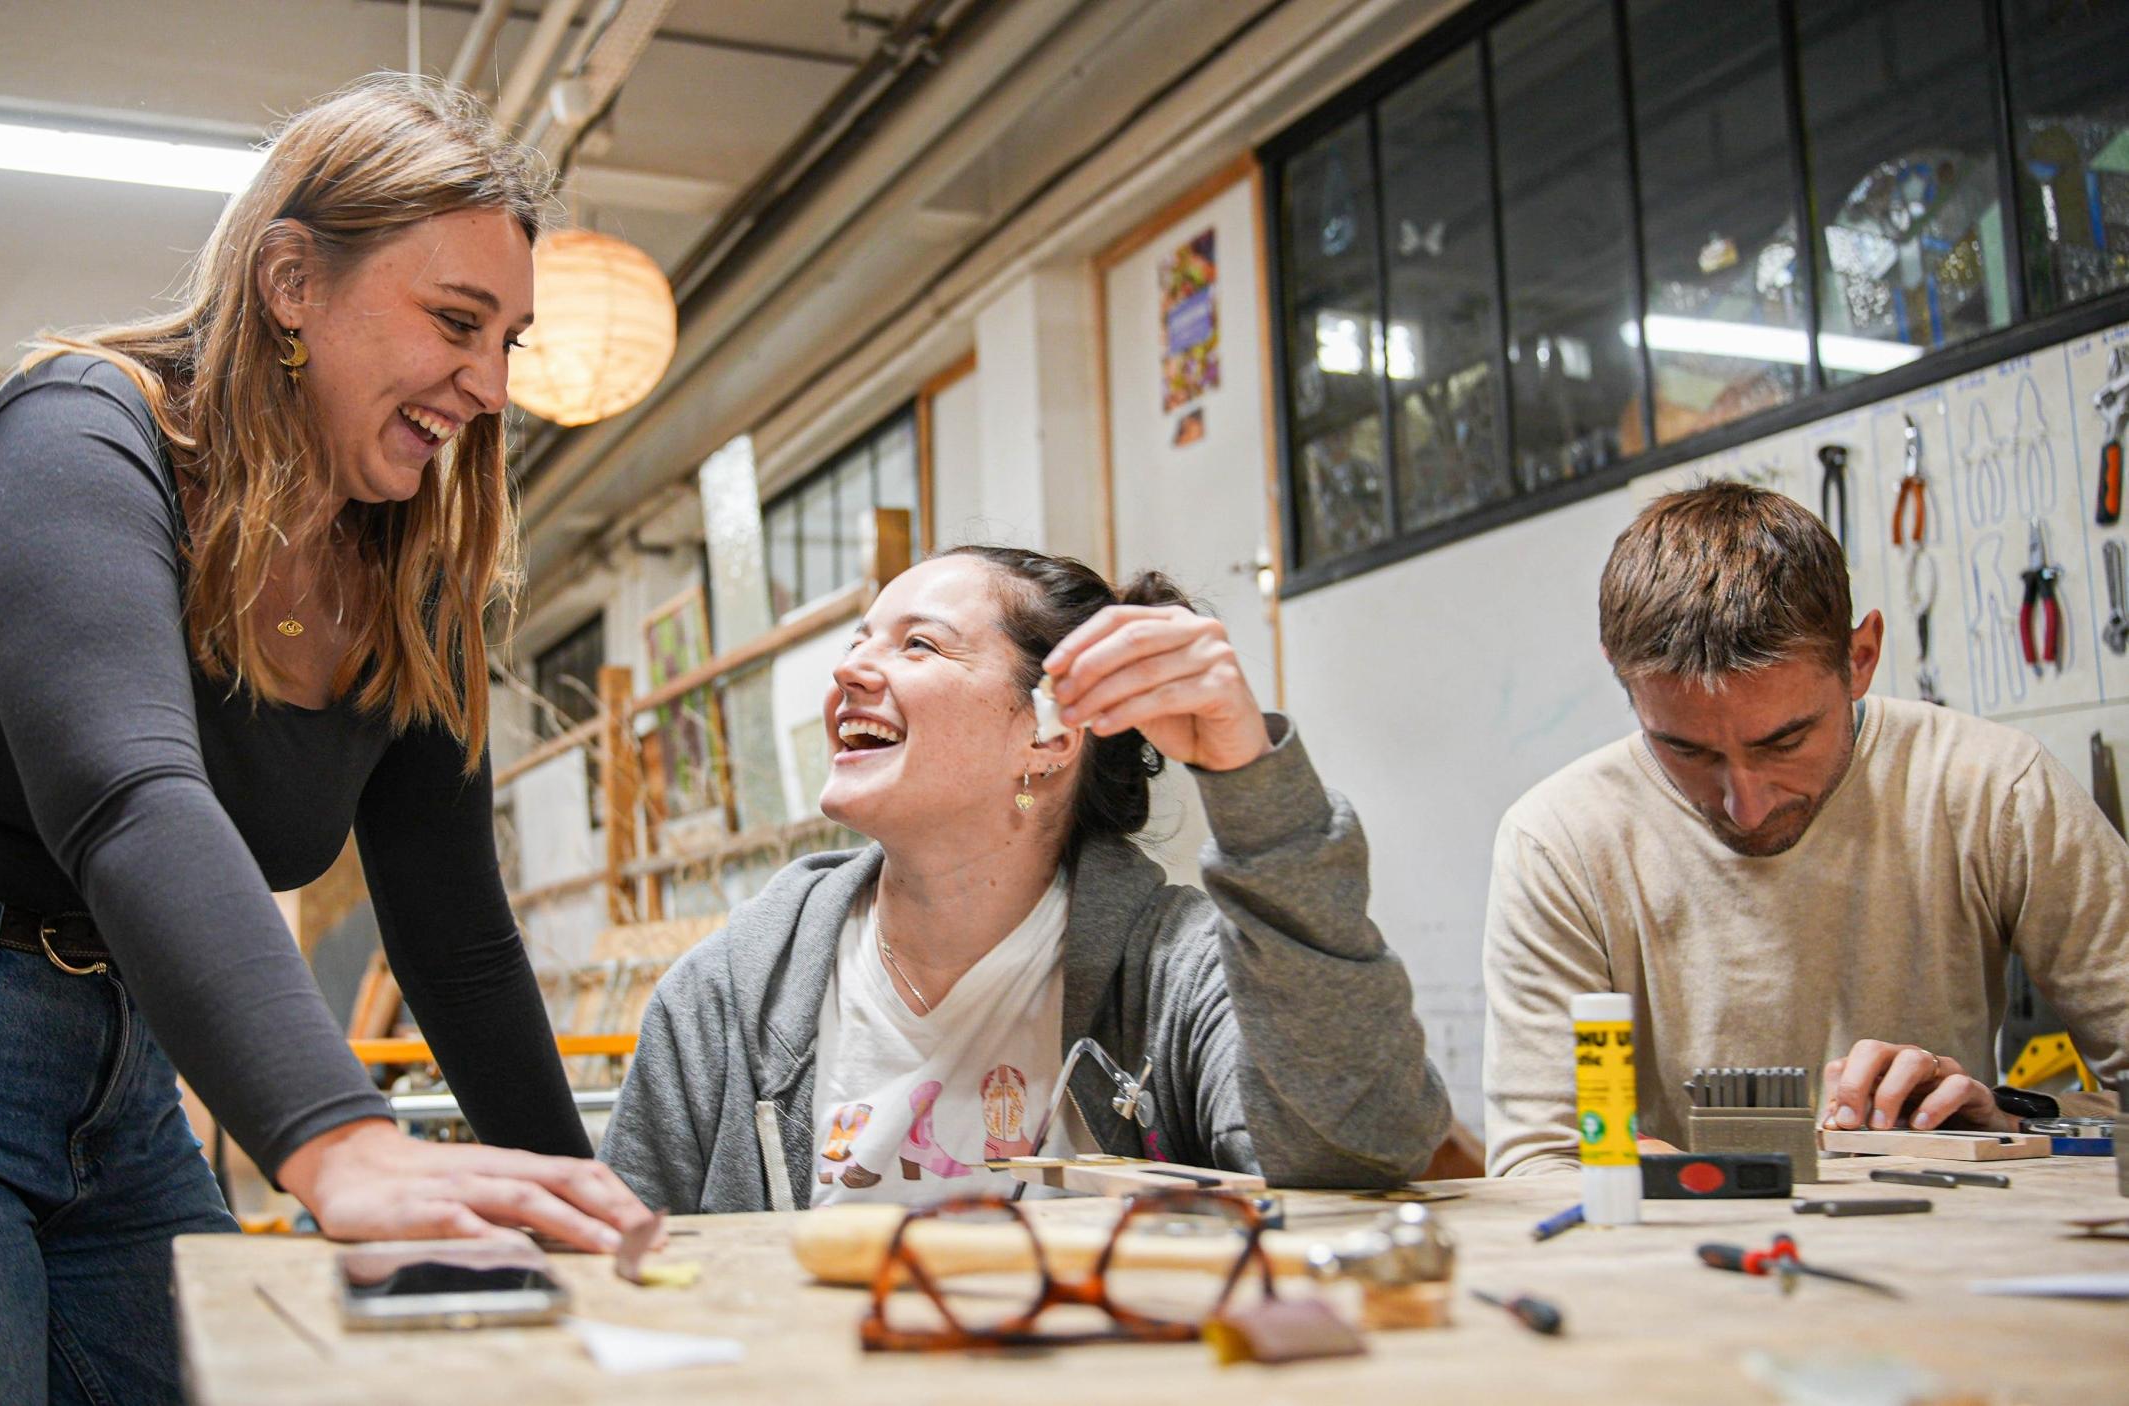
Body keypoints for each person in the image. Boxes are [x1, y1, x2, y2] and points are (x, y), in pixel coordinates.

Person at [0, 77, 652, 1405]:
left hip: (111, 1071)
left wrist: (579, 1214)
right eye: (456, 322)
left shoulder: (412, 584)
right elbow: (129, 795)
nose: (489, 386)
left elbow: (456, 943)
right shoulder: (82, 429)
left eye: (508, 341)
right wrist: (338, 1136)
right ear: (292, 281)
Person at [600, 546, 1451, 1212]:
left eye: (919, 645)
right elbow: (632, 1270)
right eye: (859, 641)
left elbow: (1363, 1150)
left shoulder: (1180, 974)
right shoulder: (729, 997)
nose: (848, 671)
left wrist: (1252, 781)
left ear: (1048, 737)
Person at [1483, 482, 2129, 1176]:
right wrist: (1667, 1176)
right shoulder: (1561, 842)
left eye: (1784, 742)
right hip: (1684, 1265)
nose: (1746, 807)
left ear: (1860, 657)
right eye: (1688, 751)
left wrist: (2006, 1126)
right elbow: (1536, 1167)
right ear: (1623, 680)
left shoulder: (1995, 790)